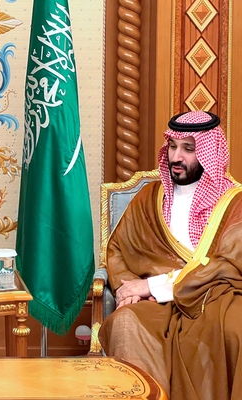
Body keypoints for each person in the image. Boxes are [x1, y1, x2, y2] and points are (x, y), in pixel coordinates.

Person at [99, 110, 242, 400]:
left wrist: (151, 285)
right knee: (124, 323)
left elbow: (226, 267)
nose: (177, 157)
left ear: (209, 152)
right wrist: (128, 289)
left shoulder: (235, 203)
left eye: (189, 149)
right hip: (155, 306)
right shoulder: (148, 198)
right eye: (173, 146)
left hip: (215, 297)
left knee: (235, 330)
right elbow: (118, 250)